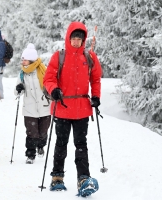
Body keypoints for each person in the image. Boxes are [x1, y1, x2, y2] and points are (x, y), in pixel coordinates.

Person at [43, 22, 102, 195]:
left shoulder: (89, 57)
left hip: (82, 109)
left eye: (79, 39)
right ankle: (57, 178)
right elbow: (49, 78)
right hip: (62, 107)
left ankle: (83, 179)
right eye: (74, 38)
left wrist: (96, 96)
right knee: (61, 143)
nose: (76, 42)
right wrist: (54, 90)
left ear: (83, 40)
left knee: (81, 144)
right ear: (68, 38)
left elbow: (96, 79)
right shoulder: (59, 56)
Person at [14, 43, 51, 164]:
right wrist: (19, 88)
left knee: (43, 131)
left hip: (44, 106)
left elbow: (50, 85)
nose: (22, 61)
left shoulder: (43, 70)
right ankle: (30, 154)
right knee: (31, 132)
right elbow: (16, 92)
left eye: (25, 59)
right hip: (29, 108)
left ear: (31, 60)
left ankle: (41, 146)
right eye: (22, 59)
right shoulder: (22, 74)